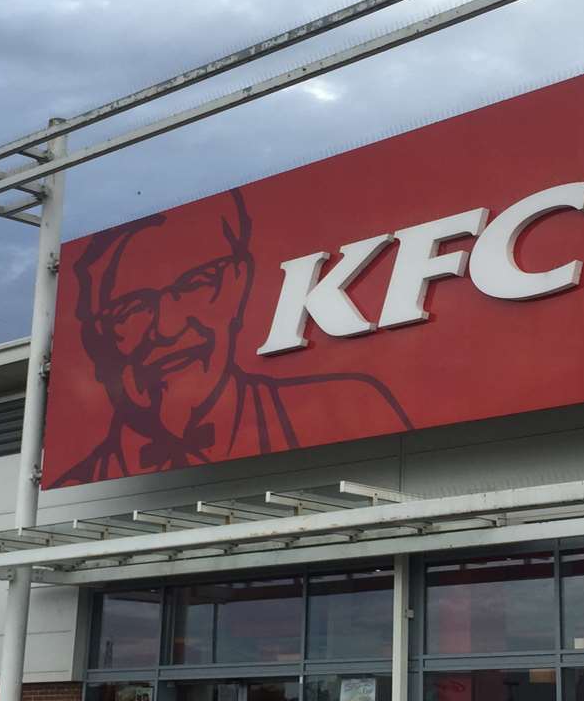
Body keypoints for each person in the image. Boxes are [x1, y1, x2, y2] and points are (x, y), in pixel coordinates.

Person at [58, 189, 412, 483]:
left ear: (240, 283)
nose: (168, 328)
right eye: (131, 308)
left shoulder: (354, 402)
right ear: (95, 337)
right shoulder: (74, 478)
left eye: (198, 283)